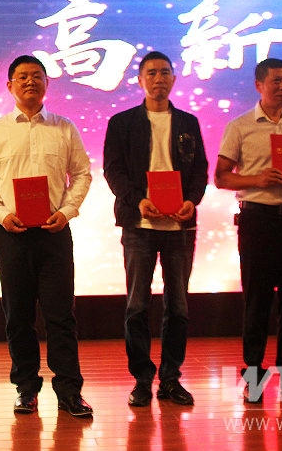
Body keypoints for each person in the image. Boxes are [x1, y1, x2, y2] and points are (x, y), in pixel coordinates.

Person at [0, 55, 93, 417]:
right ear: (9, 85)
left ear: (47, 83)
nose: (29, 82)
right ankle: (26, 388)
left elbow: (82, 174)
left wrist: (66, 212)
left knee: (61, 315)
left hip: (55, 232)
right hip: (12, 233)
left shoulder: (64, 128)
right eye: (22, 77)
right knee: (18, 315)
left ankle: (69, 391)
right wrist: (1, 214)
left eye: (37, 76)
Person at [214, 58, 282, 403]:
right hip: (258, 219)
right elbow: (221, 177)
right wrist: (256, 180)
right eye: (276, 81)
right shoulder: (240, 126)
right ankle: (254, 377)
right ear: (259, 85)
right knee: (257, 300)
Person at [102, 51, 208, 407]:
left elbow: (200, 170)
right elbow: (113, 171)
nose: (158, 78)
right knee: (137, 305)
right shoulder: (122, 123)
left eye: (165, 72)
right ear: (140, 80)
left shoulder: (188, 122)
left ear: (174, 79)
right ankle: (142, 381)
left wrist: (191, 201)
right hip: (140, 224)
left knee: (178, 306)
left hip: (180, 225)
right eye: (151, 73)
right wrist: (138, 201)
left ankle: (171, 379)